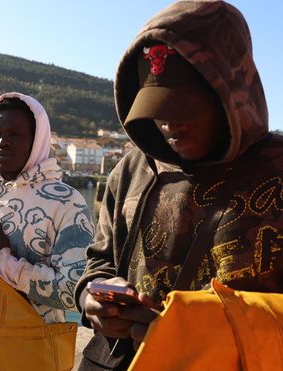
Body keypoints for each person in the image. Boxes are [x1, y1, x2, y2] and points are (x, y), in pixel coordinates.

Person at [74, 1, 283, 370]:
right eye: (156, 108)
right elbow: (101, 260)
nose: (169, 124)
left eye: (183, 106)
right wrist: (90, 299)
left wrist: (192, 331)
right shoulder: (130, 172)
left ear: (231, 94)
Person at [0, 92, 94, 370]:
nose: (2, 142)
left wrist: (3, 261)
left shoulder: (65, 201)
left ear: (37, 139)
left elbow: (75, 291)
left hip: (28, 353)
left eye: (15, 134)